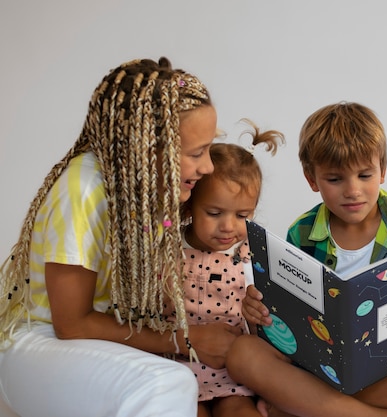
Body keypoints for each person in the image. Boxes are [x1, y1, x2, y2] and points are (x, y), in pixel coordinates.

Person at [0, 57, 230, 417]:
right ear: (147, 147)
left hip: (91, 343)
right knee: (167, 381)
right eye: (196, 153)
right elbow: (71, 324)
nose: (208, 167)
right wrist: (183, 339)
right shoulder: (83, 189)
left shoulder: (148, 191)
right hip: (38, 345)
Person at [228, 102, 387, 417]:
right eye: (335, 179)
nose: (353, 190)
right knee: (243, 353)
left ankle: (311, 407)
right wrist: (259, 312)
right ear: (312, 179)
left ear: (383, 170)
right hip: (321, 368)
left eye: (365, 175)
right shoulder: (302, 232)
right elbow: (285, 323)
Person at [167, 121, 284, 417]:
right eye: (214, 213)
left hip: (232, 375)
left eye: (243, 215)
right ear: (190, 205)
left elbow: (266, 329)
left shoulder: (253, 258)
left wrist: (257, 316)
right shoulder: (167, 250)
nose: (228, 226)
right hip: (175, 367)